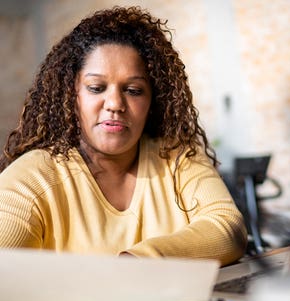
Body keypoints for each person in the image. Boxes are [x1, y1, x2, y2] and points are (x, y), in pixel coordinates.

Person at [0, 6, 247, 266]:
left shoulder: (177, 156)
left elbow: (227, 227)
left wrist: (137, 262)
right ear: (71, 96)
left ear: (153, 100)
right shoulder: (34, 177)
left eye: (133, 90)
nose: (115, 103)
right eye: (96, 88)